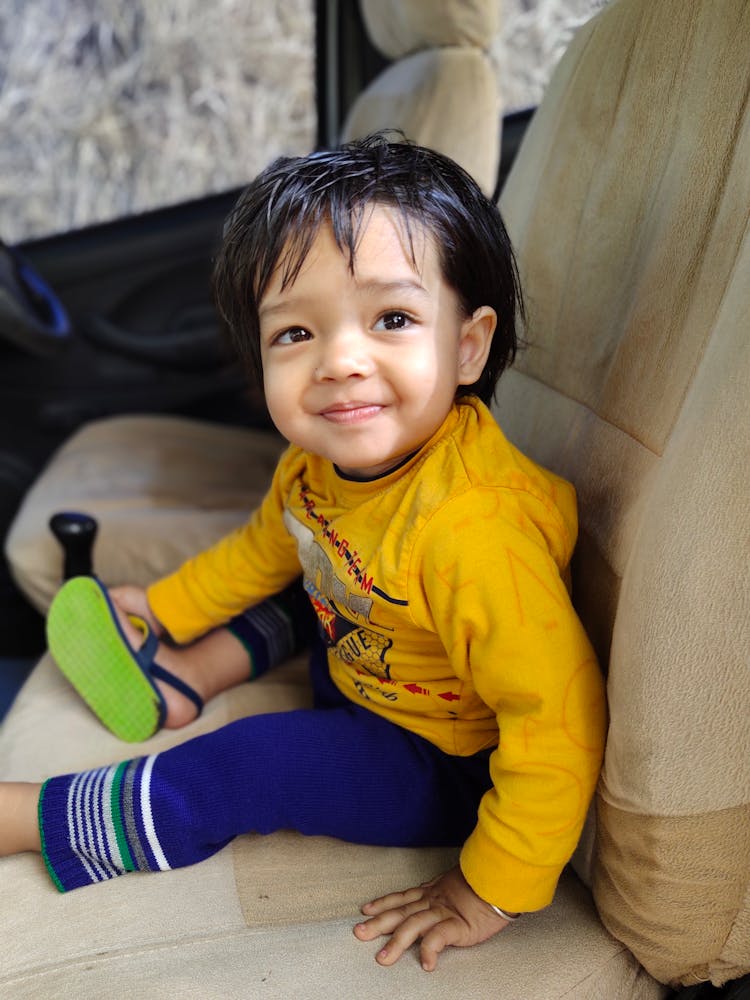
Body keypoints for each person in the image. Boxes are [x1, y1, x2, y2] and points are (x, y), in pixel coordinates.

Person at [0, 134, 606, 972]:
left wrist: (487, 888)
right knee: (301, 567)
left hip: (437, 756)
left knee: (251, 764)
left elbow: (558, 722)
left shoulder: (476, 535)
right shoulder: (317, 468)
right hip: (368, 646)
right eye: (295, 333)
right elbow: (257, 549)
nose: (341, 362)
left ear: (468, 345)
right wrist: (170, 607)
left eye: (392, 319)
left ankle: (41, 817)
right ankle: (189, 672)